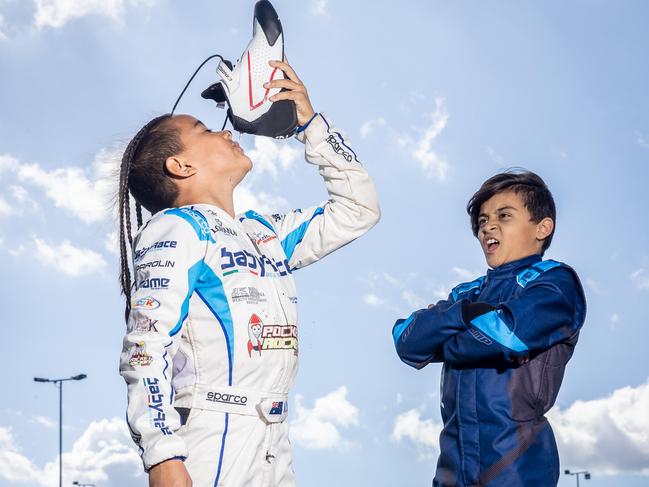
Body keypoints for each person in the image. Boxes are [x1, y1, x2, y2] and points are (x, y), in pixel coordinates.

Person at [118, 60, 380, 487]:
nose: (226, 132)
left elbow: (359, 209)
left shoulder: (265, 234)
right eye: (205, 131)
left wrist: (309, 124)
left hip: (274, 437)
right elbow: (146, 344)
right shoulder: (176, 227)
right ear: (180, 167)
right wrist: (162, 453)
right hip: (211, 434)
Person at [392, 171, 586, 487]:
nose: (488, 227)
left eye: (504, 216)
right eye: (482, 221)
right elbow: (405, 340)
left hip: (517, 471)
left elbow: (505, 335)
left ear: (542, 227)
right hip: (451, 473)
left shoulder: (556, 281)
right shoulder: (466, 295)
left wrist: (442, 341)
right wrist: (466, 314)